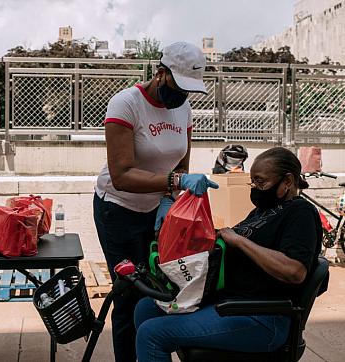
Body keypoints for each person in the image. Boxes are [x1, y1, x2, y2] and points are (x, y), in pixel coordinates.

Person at [134, 147, 322, 361]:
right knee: (146, 307)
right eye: (253, 182)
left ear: (287, 181)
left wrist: (239, 241)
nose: (256, 189)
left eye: (261, 182)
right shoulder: (263, 211)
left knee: (152, 334)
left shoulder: (300, 213)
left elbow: (294, 271)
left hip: (260, 318)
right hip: (230, 302)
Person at [93, 42, 219, 362]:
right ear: (161, 73)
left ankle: (147, 350)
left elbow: (181, 165)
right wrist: (175, 183)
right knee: (128, 293)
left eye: (189, 90)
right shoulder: (126, 104)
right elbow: (121, 174)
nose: (182, 96)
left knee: (159, 289)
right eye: (179, 87)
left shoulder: (184, 109)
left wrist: (168, 199)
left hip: (158, 210)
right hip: (118, 208)